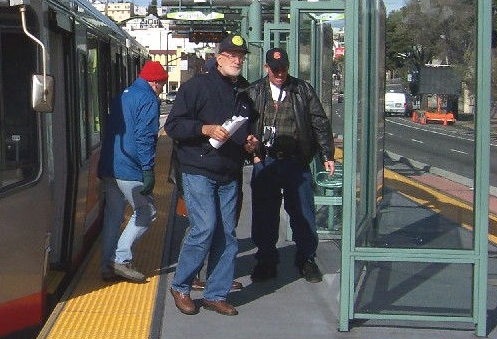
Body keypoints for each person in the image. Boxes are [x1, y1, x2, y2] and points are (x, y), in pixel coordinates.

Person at [165, 34, 259, 316]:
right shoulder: (196, 87)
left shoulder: (243, 92)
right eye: (231, 55)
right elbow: (174, 125)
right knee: (204, 227)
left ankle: (215, 294)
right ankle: (181, 286)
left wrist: (250, 143)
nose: (237, 60)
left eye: (240, 56)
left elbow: (246, 129)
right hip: (199, 169)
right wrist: (204, 129)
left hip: (229, 171)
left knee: (226, 234)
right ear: (218, 59)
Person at [246, 47, 335, 284]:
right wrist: (252, 155)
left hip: (296, 161)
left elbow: (319, 122)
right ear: (266, 69)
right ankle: (266, 258)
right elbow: (244, 125)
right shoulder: (254, 91)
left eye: (283, 68)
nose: (279, 73)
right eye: (275, 70)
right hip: (266, 161)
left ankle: (306, 258)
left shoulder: (302, 90)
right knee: (264, 215)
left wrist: (327, 154)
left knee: (303, 213)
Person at [98, 60, 168, 283]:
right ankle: (121, 259)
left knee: (113, 216)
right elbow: (145, 137)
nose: (162, 90)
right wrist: (148, 170)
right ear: (155, 83)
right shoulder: (148, 98)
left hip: (110, 165)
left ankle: (105, 265)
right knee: (146, 212)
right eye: (162, 85)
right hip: (130, 167)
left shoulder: (121, 95)